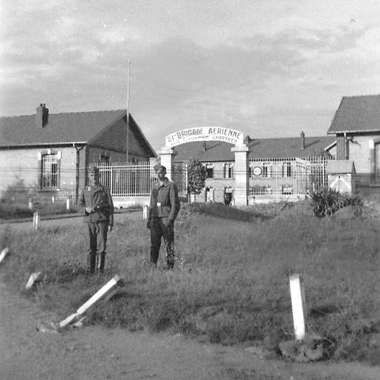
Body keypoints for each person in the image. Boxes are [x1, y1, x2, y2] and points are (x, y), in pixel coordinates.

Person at [79, 165, 114, 274]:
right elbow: (79, 205)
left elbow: (110, 207)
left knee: (102, 246)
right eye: (92, 175)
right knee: (90, 246)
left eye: (96, 175)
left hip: (102, 220)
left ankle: (100, 270)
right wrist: (86, 209)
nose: (94, 177)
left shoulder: (105, 189)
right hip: (89, 220)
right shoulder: (85, 190)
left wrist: (110, 222)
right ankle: (90, 270)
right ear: (88, 176)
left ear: (100, 175)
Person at [147, 164, 181, 269]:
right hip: (155, 219)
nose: (159, 174)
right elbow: (152, 204)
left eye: (161, 172)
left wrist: (170, 220)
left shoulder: (170, 186)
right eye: (157, 172)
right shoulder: (155, 186)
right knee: (154, 244)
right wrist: (149, 219)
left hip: (166, 217)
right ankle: (153, 265)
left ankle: (170, 266)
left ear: (165, 173)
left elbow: (175, 205)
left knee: (169, 243)